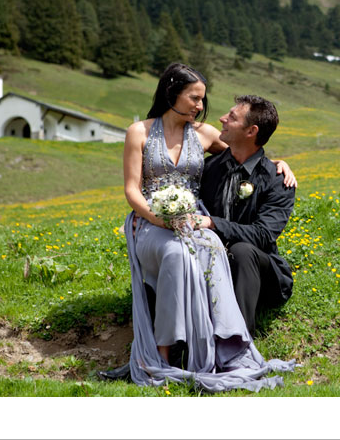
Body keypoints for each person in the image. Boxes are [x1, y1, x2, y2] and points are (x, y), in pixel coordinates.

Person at [109, 62, 295, 392]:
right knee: (176, 253)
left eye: (201, 100)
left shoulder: (205, 134)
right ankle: (163, 353)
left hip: (193, 222)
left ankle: (229, 345)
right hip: (150, 222)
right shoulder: (138, 131)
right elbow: (131, 190)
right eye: (194, 98)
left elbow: (247, 156)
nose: (200, 107)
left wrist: (280, 163)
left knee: (211, 247)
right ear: (171, 93)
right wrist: (157, 217)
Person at [199, 95, 295, 337]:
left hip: (261, 276)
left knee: (242, 250)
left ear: (251, 131)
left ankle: (239, 345)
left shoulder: (278, 180)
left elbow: (263, 235)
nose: (222, 119)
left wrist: (212, 223)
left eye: (231, 117)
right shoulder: (209, 169)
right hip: (212, 264)